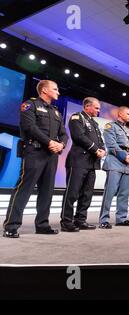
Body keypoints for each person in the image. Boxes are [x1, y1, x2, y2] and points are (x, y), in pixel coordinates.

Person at [3, 80, 68, 238]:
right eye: (55, 89)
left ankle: (42, 225)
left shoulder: (56, 112)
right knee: (24, 189)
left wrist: (61, 145)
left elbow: (64, 133)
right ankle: (11, 226)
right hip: (34, 152)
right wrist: (49, 142)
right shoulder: (30, 105)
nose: (58, 92)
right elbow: (29, 127)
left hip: (51, 155)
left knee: (47, 191)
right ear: (45, 90)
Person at [60, 97, 106, 232]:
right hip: (78, 161)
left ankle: (80, 220)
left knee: (87, 194)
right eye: (96, 108)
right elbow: (79, 137)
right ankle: (66, 221)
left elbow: (100, 140)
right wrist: (95, 149)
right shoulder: (77, 117)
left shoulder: (94, 123)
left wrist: (102, 149)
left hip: (91, 163)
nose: (98, 111)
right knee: (72, 193)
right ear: (87, 106)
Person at [99, 106, 129, 228]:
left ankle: (121, 218)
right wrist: (125, 156)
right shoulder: (111, 126)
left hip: (127, 164)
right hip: (115, 161)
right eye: (128, 113)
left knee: (124, 193)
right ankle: (104, 219)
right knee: (109, 192)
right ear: (120, 114)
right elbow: (111, 144)